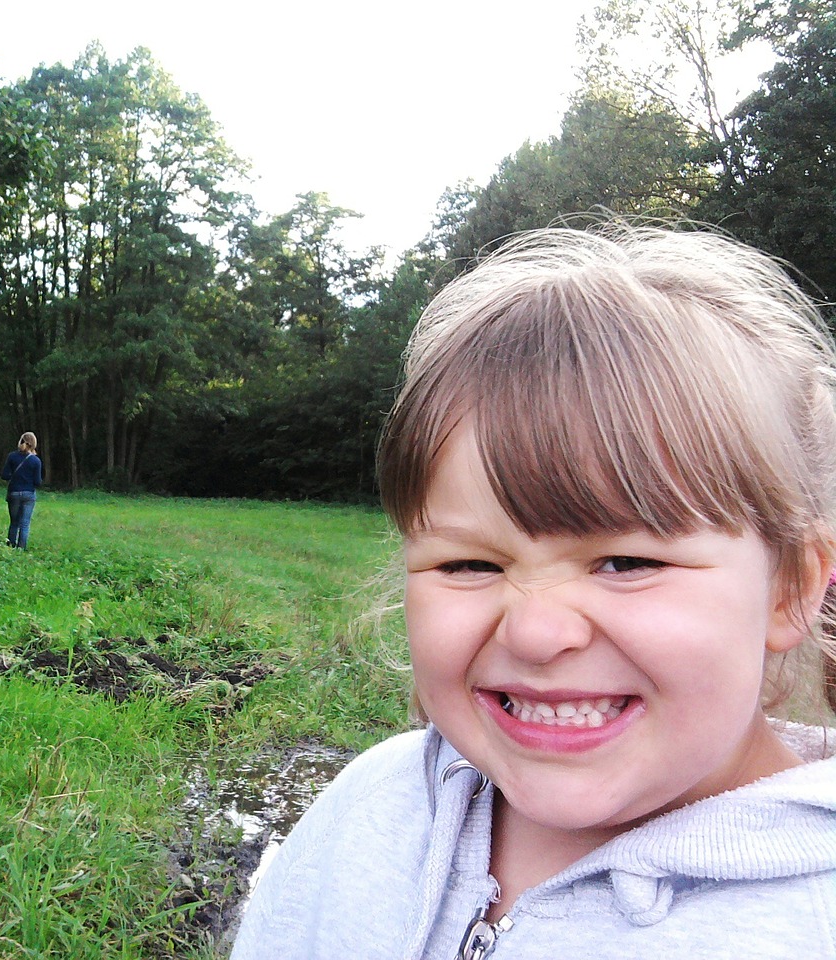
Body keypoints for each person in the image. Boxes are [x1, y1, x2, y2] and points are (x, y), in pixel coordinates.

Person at [231, 223, 836, 959]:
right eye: (472, 566)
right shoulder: (369, 807)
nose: (535, 632)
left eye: (622, 561)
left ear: (791, 587)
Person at [1, 431, 43, 549]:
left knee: (14, 522)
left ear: (21, 442)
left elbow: (5, 475)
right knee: (25, 523)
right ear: (34, 444)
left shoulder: (12, 457)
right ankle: (21, 548)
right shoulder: (36, 461)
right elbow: (38, 482)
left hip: (14, 493)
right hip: (29, 494)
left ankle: (10, 546)